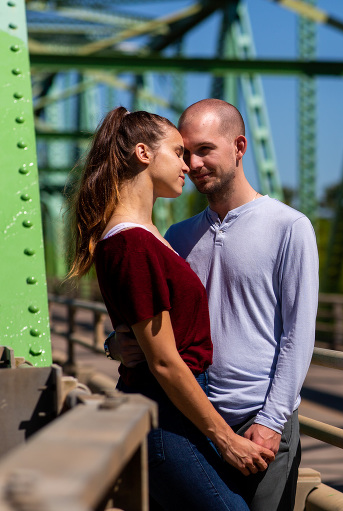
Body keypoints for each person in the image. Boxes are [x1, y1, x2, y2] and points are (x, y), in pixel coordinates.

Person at [110, 98, 319, 511]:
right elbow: (156, 321)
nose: (192, 163)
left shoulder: (289, 227)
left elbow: (299, 335)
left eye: (205, 149)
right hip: (191, 423)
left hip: (260, 424)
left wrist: (271, 422)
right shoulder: (178, 235)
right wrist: (114, 345)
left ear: (240, 147)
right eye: (185, 152)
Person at [68, 107, 274, 511]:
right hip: (165, 413)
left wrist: (118, 342)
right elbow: (164, 362)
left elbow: (150, 332)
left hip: (174, 409)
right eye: (179, 152)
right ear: (143, 154)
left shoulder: (148, 236)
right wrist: (226, 438)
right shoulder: (132, 243)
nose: (188, 165)